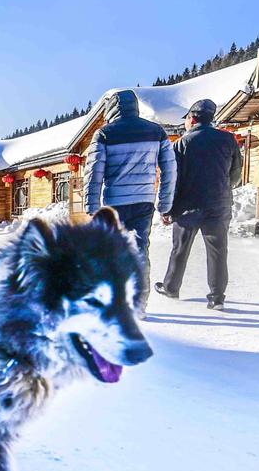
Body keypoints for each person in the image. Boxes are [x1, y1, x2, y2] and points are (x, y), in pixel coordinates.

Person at [82, 89, 177, 303]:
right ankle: (139, 302)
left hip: (115, 203)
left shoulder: (105, 134)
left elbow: (94, 172)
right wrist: (164, 203)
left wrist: (92, 206)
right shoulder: (157, 132)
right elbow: (170, 169)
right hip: (144, 201)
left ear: (112, 108)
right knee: (140, 250)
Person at [156, 98, 242, 311]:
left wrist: (167, 208)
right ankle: (217, 298)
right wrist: (224, 188)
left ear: (192, 119)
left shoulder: (182, 144)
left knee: (180, 249)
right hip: (218, 205)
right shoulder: (228, 140)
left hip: (188, 206)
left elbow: (172, 179)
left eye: (186, 119)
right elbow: (236, 174)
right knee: (218, 251)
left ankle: (171, 287)